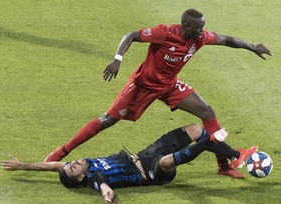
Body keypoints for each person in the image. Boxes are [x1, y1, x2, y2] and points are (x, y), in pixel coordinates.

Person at [44, 8, 271, 179]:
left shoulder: (198, 39)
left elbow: (227, 40)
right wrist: (117, 59)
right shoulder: (165, 33)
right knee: (108, 120)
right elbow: (130, 35)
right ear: (186, 27)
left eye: (203, 27)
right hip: (142, 87)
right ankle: (62, 151)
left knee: (206, 111)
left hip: (169, 86)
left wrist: (253, 47)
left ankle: (223, 165)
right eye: (199, 27)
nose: (203, 31)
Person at [1, 125, 257, 204]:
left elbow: (50, 166)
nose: (74, 163)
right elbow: (104, 187)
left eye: (70, 164)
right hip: (151, 172)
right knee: (170, 160)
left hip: (145, 154)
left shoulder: (80, 165)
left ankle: (236, 155)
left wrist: (21, 165)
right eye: (73, 168)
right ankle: (212, 142)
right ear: (80, 179)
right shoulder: (94, 177)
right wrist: (107, 195)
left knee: (194, 129)